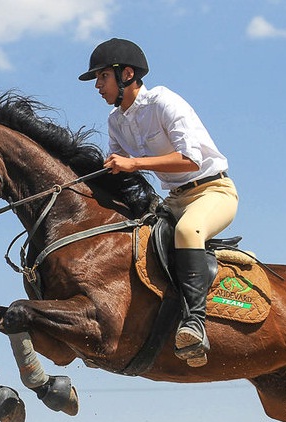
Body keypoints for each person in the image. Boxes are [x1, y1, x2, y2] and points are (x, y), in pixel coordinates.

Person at [79, 38, 239, 367]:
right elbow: (121, 173)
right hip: (175, 199)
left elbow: (189, 160)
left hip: (212, 191)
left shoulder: (163, 101)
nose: (97, 86)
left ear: (126, 74)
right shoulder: (116, 121)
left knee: (188, 232)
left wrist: (134, 164)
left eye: (101, 77)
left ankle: (195, 324)